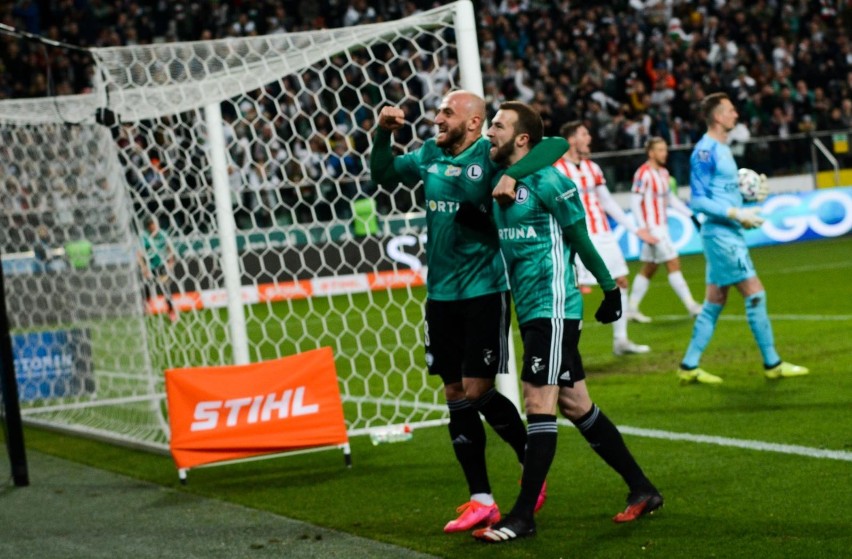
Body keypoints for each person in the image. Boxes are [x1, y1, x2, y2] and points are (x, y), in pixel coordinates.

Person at [370, 90, 568, 534]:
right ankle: (481, 499)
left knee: (478, 390)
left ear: (474, 122)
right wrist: (381, 137)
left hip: (483, 291)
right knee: (454, 392)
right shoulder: (426, 154)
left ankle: (527, 459)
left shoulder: (490, 153)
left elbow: (553, 147)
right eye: (439, 111)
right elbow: (381, 172)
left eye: (446, 113)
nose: (437, 118)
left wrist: (514, 174)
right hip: (440, 294)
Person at [473, 102, 662, 543]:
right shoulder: (499, 171)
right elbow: (547, 144)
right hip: (532, 307)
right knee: (577, 405)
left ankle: (523, 515)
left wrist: (611, 288)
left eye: (497, 125)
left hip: (553, 306)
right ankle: (643, 488)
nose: (489, 133)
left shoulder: (551, 180)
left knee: (538, 401)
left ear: (522, 139)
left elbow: (579, 234)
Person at [677, 92, 808, 384]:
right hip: (721, 236)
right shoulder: (705, 151)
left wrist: (743, 208)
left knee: (715, 301)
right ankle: (772, 363)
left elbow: (720, 194)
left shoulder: (724, 148)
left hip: (727, 232)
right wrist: (736, 213)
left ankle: (688, 366)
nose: (736, 115)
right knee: (755, 293)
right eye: (731, 110)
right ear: (718, 116)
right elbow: (697, 201)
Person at [554, 121, 655, 356]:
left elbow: (607, 202)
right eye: (584, 134)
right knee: (572, 291)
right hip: (578, 238)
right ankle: (565, 349)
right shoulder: (557, 170)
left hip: (603, 234)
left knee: (621, 280)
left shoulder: (593, 168)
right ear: (571, 140)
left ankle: (621, 340)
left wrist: (635, 229)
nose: (589, 137)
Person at [627, 137, 704, 322]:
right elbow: (635, 202)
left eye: (665, 149)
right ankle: (692, 306)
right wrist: (643, 228)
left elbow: (670, 199)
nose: (665, 153)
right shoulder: (643, 174)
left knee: (650, 268)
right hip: (653, 229)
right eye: (660, 150)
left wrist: (690, 215)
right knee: (673, 262)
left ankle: (631, 309)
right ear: (651, 152)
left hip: (662, 226)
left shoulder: (663, 173)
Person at [138, 215, 177, 322]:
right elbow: (139, 253)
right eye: (152, 225)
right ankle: (145, 309)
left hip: (161, 264)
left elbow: (170, 249)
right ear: (148, 226)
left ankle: (171, 311)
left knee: (166, 288)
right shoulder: (144, 237)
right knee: (146, 288)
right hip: (150, 267)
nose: (154, 227)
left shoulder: (162, 234)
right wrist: (144, 268)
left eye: (155, 224)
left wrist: (170, 262)